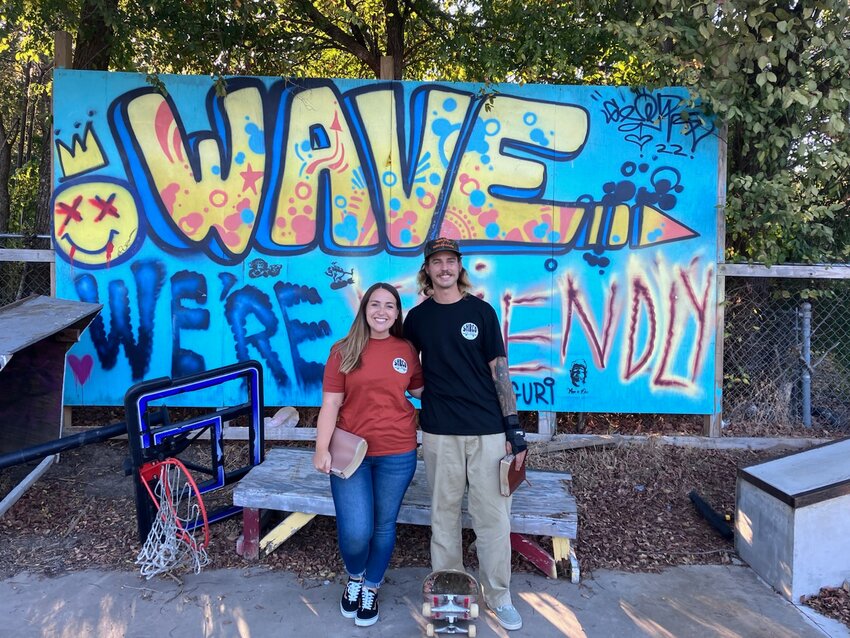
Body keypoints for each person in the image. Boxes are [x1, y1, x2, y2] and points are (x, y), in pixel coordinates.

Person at [403, 237, 528, 631]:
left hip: (488, 431)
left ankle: (499, 595)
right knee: (443, 516)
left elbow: (500, 371)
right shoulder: (417, 319)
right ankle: (451, 595)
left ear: (460, 268)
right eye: (436, 262)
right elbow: (407, 370)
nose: (444, 268)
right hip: (440, 432)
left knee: (492, 518)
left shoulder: (482, 312)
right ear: (428, 270)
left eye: (450, 262)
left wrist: (514, 428)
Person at [313, 282, 424, 627]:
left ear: (397, 313)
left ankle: (371, 587)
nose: (381, 311)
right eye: (374, 304)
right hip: (351, 454)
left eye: (389, 306)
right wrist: (321, 448)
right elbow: (330, 403)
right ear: (364, 310)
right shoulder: (343, 350)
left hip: (398, 451)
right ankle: (355, 577)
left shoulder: (406, 350)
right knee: (356, 529)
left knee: (383, 524)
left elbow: (422, 391)